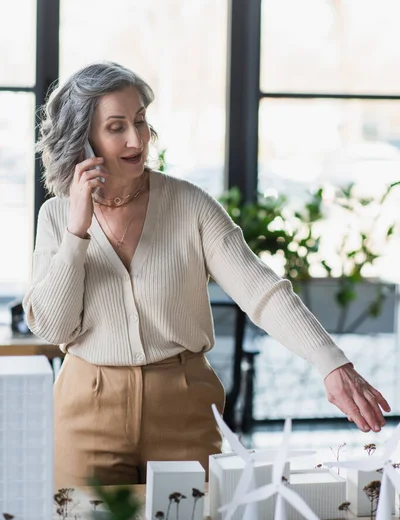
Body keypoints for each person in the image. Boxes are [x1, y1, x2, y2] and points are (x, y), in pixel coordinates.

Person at [23, 61, 390, 489]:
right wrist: (77, 232)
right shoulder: (56, 217)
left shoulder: (190, 205)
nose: (136, 139)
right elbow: (52, 325)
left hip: (183, 405)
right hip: (85, 408)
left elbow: (261, 290)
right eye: (116, 126)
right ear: (84, 140)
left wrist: (331, 364)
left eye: (140, 121)